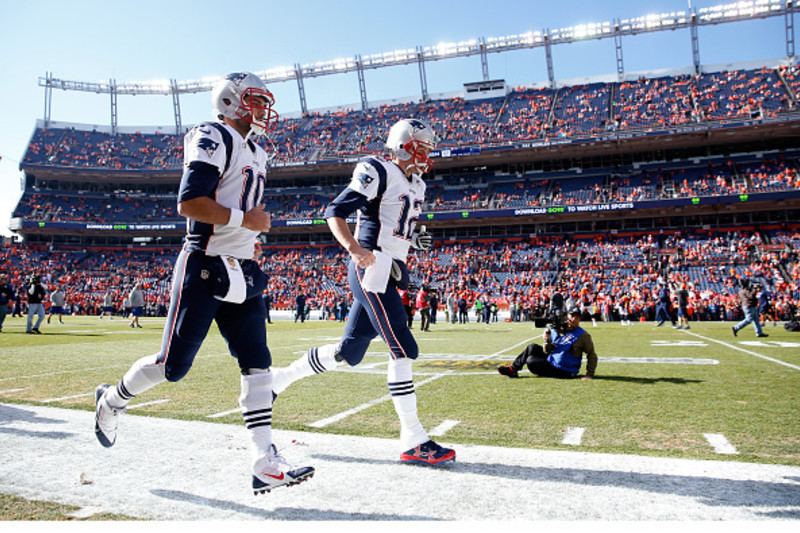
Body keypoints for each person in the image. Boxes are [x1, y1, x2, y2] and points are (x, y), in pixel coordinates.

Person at [93, 72, 314, 494]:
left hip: (243, 267)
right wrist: (245, 221)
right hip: (205, 266)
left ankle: (263, 458)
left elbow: (239, 202)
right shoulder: (212, 134)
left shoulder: (258, 151)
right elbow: (190, 202)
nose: (263, 109)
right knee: (172, 367)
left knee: (258, 363)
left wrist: (249, 236)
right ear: (230, 102)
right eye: (254, 100)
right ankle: (112, 399)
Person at [270, 118, 455, 466]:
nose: (428, 154)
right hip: (371, 269)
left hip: (389, 270)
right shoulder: (378, 170)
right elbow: (335, 211)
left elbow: (394, 226)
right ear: (405, 144)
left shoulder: (417, 185)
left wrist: (414, 240)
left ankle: (277, 380)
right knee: (403, 346)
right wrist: (355, 248)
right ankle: (414, 438)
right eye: (423, 147)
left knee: (348, 352)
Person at [497, 306, 597, 380]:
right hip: (552, 361)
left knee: (531, 361)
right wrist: (547, 340)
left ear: (580, 319)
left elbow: (592, 355)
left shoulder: (583, 335)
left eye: (577, 317)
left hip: (565, 370)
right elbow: (547, 350)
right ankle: (513, 369)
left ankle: (516, 369)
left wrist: (589, 374)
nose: (573, 319)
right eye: (572, 316)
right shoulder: (558, 329)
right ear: (567, 316)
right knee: (532, 347)